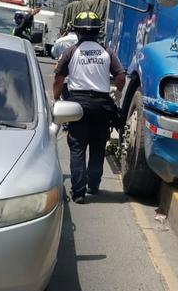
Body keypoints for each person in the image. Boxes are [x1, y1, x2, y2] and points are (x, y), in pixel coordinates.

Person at [53, 11, 125, 204]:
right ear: (98, 31)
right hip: (102, 106)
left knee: (77, 147)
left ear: (76, 31)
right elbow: (120, 77)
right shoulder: (108, 52)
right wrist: (117, 92)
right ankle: (93, 185)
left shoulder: (70, 52)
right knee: (98, 147)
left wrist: (56, 99)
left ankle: (78, 192)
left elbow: (59, 78)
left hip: (78, 105)